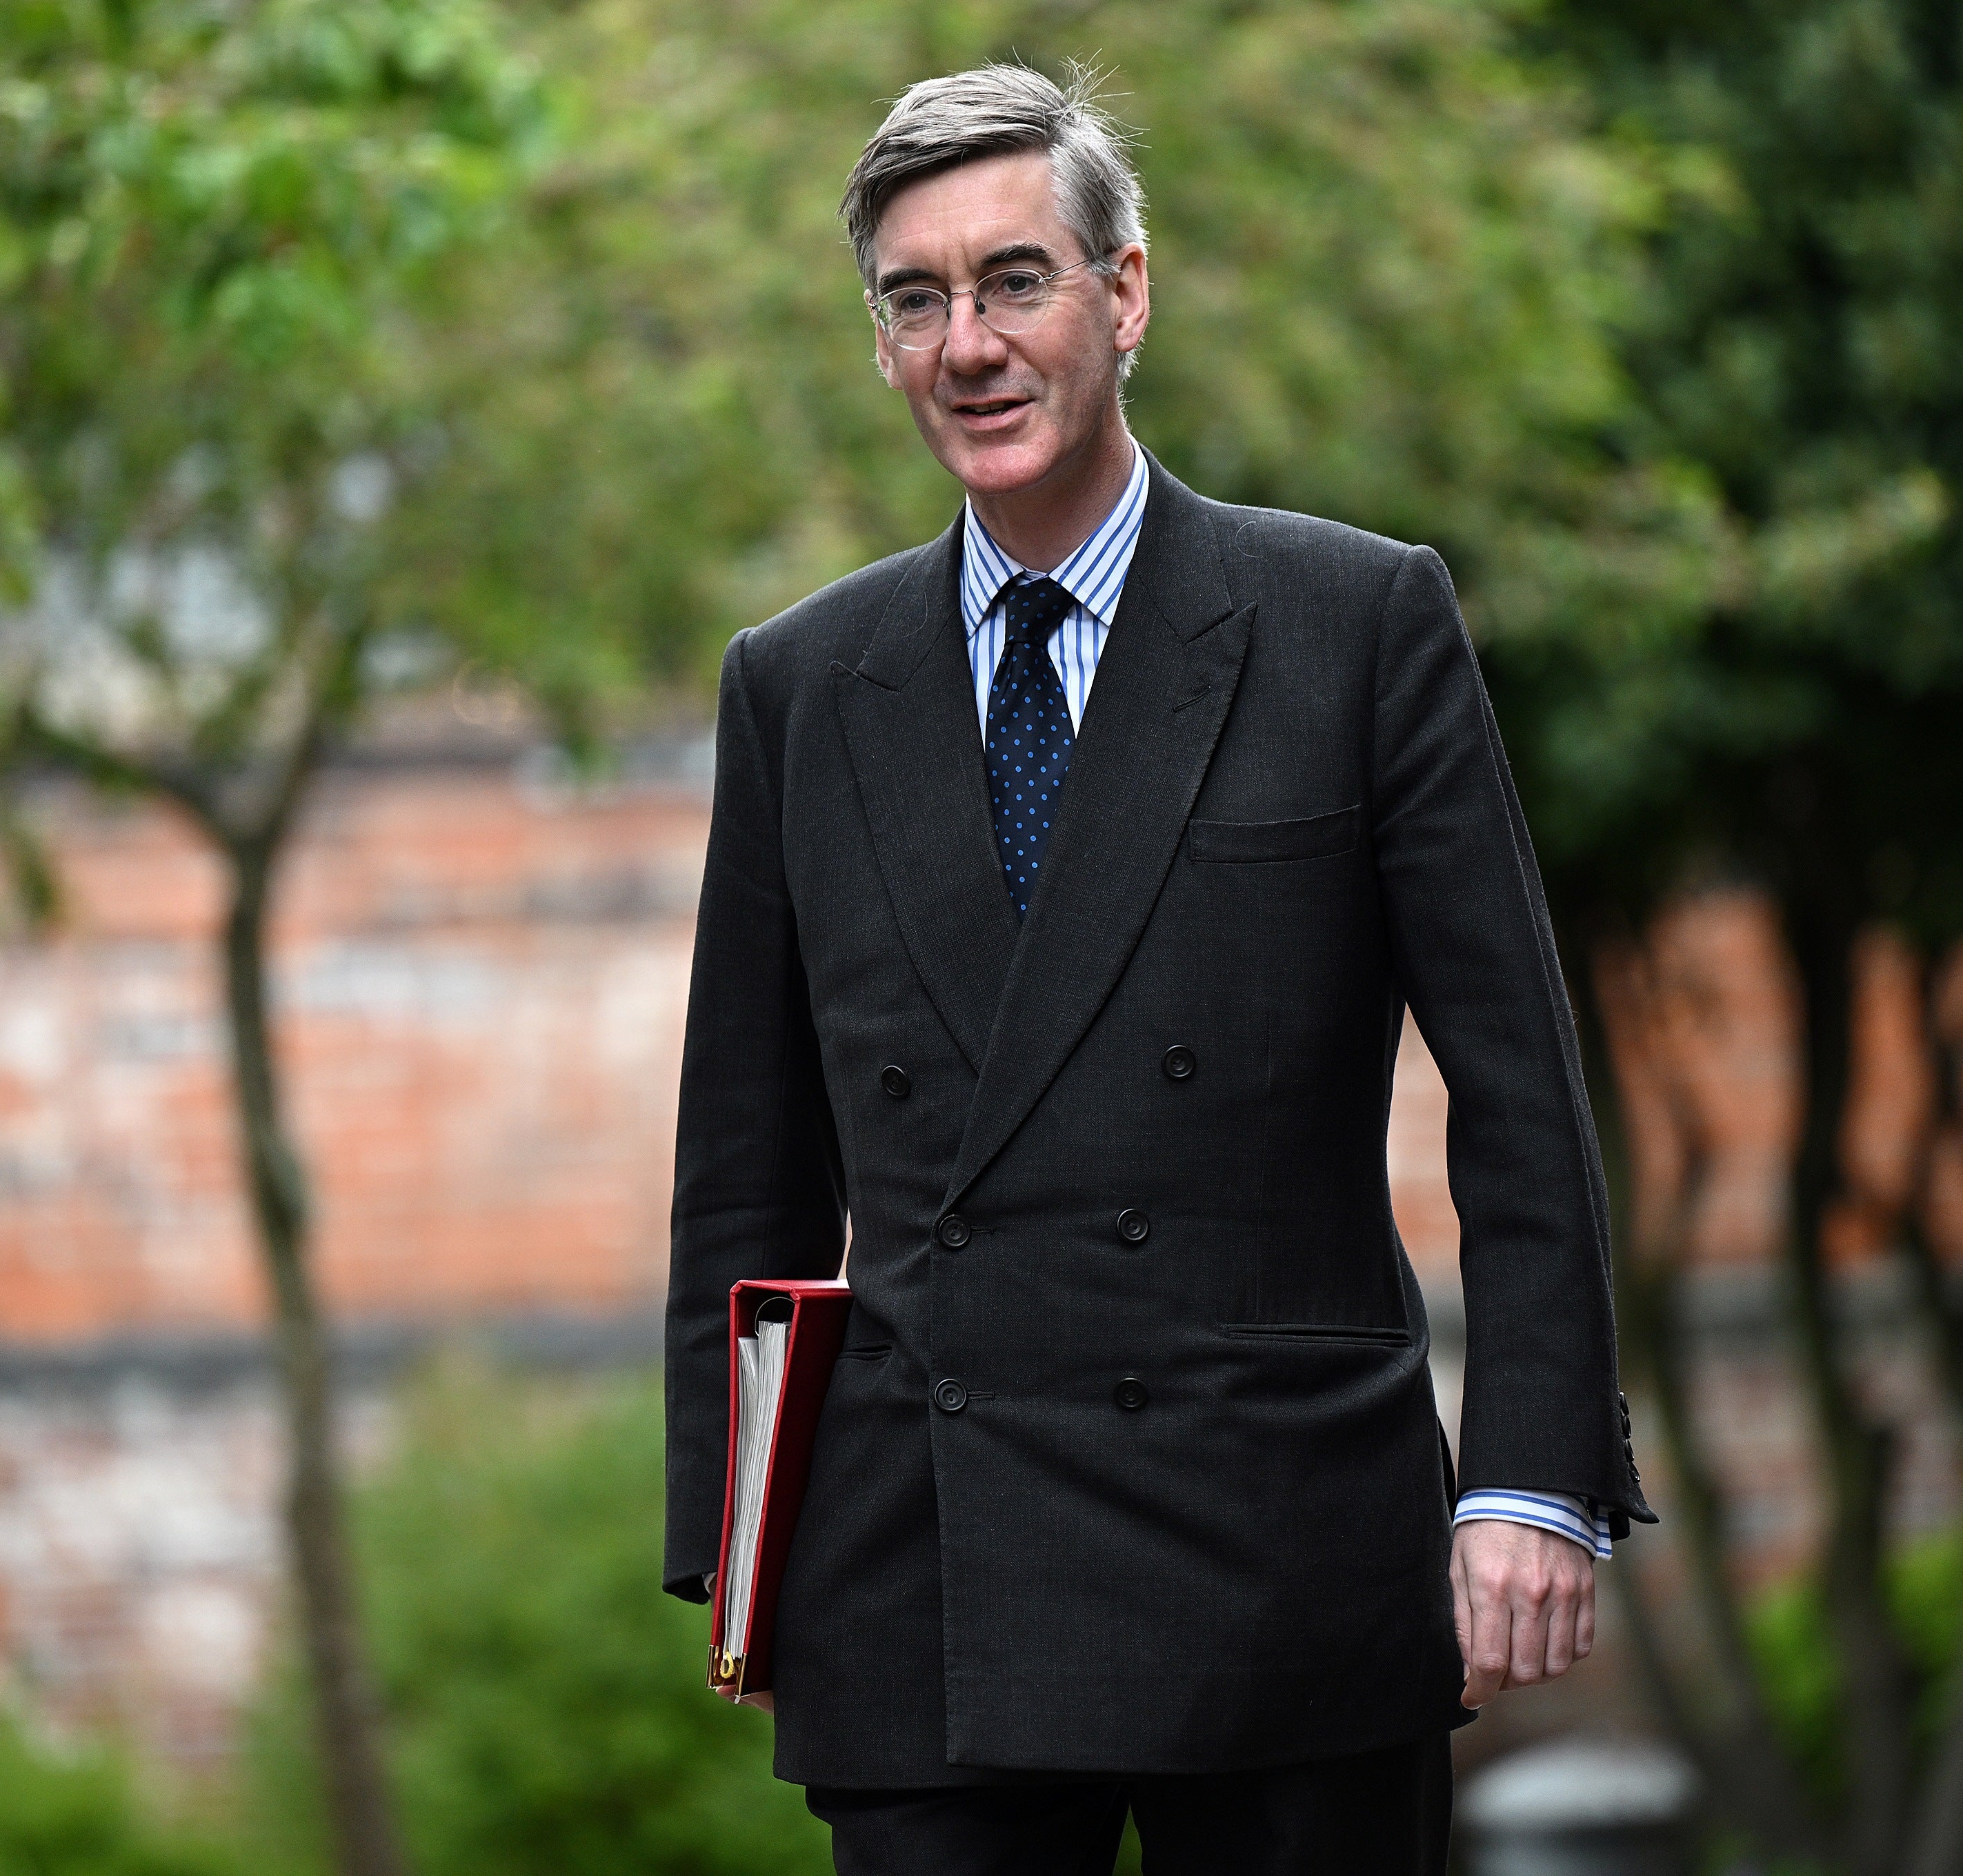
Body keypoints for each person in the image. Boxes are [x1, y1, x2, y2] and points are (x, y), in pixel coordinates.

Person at [664, 61, 1654, 1876]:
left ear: (1125, 293)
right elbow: (743, 1166)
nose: (968, 342)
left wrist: (1529, 1476)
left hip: (1274, 1541)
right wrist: (734, 1540)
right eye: (916, 298)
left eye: (1016, 279)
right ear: (880, 342)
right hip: (924, 1573)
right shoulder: (800, 685)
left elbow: (1519, 1092)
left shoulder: (1354, 624)